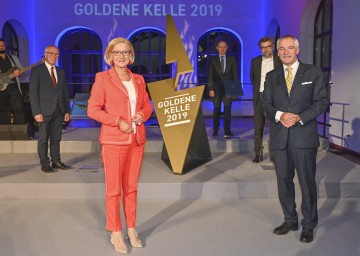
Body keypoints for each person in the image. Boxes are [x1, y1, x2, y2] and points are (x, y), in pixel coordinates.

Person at [87, 37, 152, 254]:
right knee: (114, 190)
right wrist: (118, 121)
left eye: (125, 52)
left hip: (137, 141)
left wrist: (142, 114)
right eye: (117, 53)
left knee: (131, 188)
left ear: (131, 55)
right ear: (110, 56)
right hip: (114, 141)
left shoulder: (139, 79)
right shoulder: (103, 78)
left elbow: (146, 105)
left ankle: (131, 228)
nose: (121, 56)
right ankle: (115, 231)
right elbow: (93, 110)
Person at [262, 35, 329, 243]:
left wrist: (300, 117)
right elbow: (266, 105)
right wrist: (280, 116)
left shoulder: (313, 72)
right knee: (283, 181)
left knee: (307, 183)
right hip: (280, 137)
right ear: (277, 51)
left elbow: (321, 102)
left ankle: (308, 224)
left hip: (303, 136)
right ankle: (290, 220)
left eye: (290, 48)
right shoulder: (271, 76)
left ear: (297, 50)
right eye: (282, 49)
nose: (286, 52)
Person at [29, 45, 71, 173]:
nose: (54, 56)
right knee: (43, 139)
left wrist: (67, 110)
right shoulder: (37, 71)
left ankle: (56, 161)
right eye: (51, 53)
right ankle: (45, 163)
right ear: (45, 54)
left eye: (57, 54)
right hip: (43, 111)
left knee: (56, 138)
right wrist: (36, 112)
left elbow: (64, 92)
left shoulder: (61, 72)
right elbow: (33, 93)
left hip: (59, 110)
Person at [250, 37, 281, 163]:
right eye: (263, 47)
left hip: (275, 97)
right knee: (258, 128)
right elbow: (253, 78)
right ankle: (258, 153)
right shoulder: (255, 61)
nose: (266, 49)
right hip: (260, 96)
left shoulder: (279, 60)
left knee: (275, 127)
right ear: (260, 48)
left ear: (272, 47)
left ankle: (274, 154)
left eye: (268, 46)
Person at [208, 40, 238, 139]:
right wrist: (210, 89)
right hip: (216, 89)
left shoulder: (232, 59)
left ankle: (227, 131)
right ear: (217, 48)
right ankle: (215, 130)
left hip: (229, 88)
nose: (222, 49)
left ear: (227, 48)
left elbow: (235, 75)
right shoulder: (212, 60)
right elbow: (210, 76)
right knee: (216, 110)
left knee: (227, 110)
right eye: (220, 47)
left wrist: (234, 90)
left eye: (224, 47)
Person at [0, 39, 26, 125]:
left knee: (19, 109)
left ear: (5, 46)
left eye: (3, 45)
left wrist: (18, 71)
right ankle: (4, 134)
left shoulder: (13, 58)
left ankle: (21, 132)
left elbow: (21, 70)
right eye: (0, 46)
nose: (1, 47)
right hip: (1, 90)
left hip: (14, 88)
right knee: (3, 112)